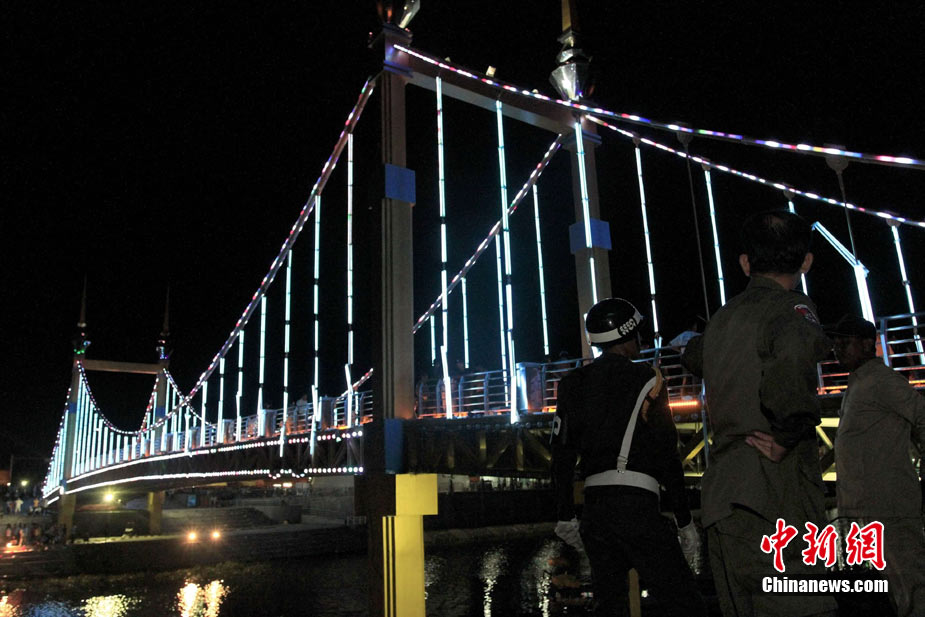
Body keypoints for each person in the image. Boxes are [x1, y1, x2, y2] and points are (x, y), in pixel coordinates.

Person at [682, 210, 836, 616]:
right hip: (775, 495)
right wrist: (787, 433)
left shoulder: (722, 319)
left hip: (723, 499)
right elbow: (792, 363)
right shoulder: (791, 308)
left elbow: (693, 356)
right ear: (806, 262)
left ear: (745, 263)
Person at [551, 297, 705, 616]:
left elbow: (561, 454)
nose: (641, 340)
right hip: (637, 507)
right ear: (626, 336)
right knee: (684, 603)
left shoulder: (570, 384)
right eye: (637, 334)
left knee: (611, 605)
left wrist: (565, 515)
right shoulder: (648, 379)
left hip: (595, 512)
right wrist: (684, 520)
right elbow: (667, 454)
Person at [829, 313, 925, 616]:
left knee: (909, 584)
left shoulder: (881, 381)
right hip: (868, 507)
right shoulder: (859, 383)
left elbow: (922, 416)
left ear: (867, 344)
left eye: (845, 343)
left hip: (888, 505)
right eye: (836, 343)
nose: (837, 349)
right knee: (892, 589)